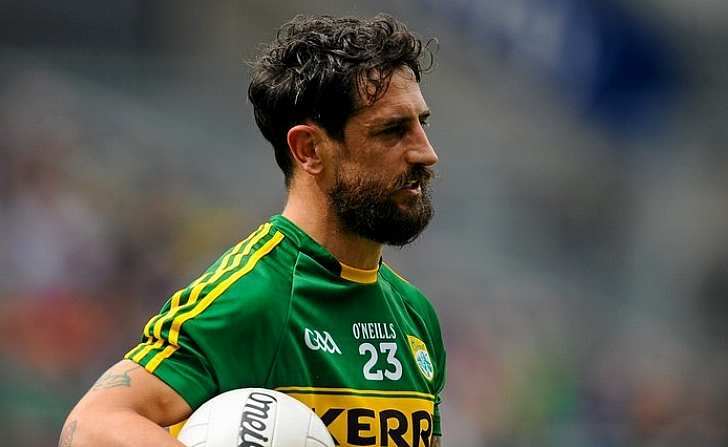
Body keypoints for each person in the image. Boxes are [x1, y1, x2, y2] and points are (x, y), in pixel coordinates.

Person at [60, 14, 445, 447]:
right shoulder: (257, 295)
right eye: (393, 130)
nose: (426, 153)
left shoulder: (415, 314)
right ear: (309, 149)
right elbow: (92, 425)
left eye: (421, 124)